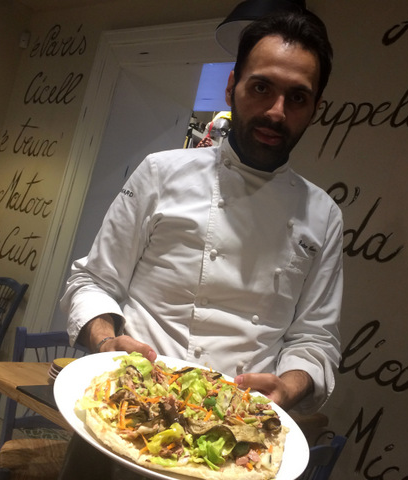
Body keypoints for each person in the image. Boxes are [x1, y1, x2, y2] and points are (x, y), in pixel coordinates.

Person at [59, 9, 342, 478]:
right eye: (261, 87)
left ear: (315, 109)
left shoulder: (324, 216)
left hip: (234, 442)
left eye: (297, 97)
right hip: (125, 416)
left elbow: (315, 339)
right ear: (232, 86)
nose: (276, 111)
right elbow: (92, 281)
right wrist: (108, 342)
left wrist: (289, 387)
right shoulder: (160, 173)